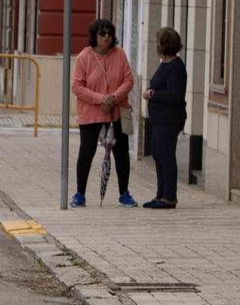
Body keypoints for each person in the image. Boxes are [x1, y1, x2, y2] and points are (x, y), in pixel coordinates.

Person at [70, 18, 135, 207]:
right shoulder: (84, 57)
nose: (107, 37)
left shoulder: (119, 54)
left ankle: (124, 193)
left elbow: (128, 80)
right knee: (86, 152)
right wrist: (101, 99)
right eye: (102, 33)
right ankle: (80, 193)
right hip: (91, 114)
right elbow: (77, 86)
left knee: (121, 153)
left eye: (110, 33)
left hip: (116, 112)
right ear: (94, 36)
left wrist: (113, 98)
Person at [142, 27, 187, 209]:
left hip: (169, 119)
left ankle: (169, 196)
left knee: (166, 156)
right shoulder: (165, 64)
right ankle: (160, 193)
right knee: (158, 154)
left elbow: (175, 95)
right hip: (159, 119)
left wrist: (153, 94)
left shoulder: (176, 67)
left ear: (163, 45)